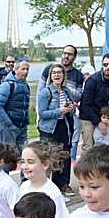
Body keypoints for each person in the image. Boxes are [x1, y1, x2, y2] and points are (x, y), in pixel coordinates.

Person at [12, 140, 69, 218]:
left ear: (45, 164)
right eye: (22, 162)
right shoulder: (24, 186)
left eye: (30, 162)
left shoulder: (53, 193)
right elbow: (19, 216)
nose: (24, 166)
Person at [36, 63, 76, 192]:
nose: (57, 75)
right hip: (49, 129)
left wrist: (70, 108)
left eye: (60, 72)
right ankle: (46, 187)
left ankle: (62, 184)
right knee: (50, 157)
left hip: (65, 127)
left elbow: (72, 109)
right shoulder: (45, 92)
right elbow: (42, 113)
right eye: (54, 73)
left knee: (64, 155)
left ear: (64, 75)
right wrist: (60, 111)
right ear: (50, 76)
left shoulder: (66, 91)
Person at [78, 52, 109, 154]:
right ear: (102, 65)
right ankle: (84, 170)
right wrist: (98, 122)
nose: (108, 67)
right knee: (89, 148)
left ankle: (98, 170)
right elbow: (85, 105)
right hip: (87, 117)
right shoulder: (92, 80)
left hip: (102, 116)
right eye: (105, 64)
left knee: (103, 148)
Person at [0, 58, 32, 148]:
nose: (26, 72)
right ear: (15, 69)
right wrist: (10, 125)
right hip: (8, 128)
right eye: (23, 69)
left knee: (23, 156)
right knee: (9, 157)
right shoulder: (7, 85)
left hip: (22, 127)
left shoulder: (26, 85)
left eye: (27, 69)